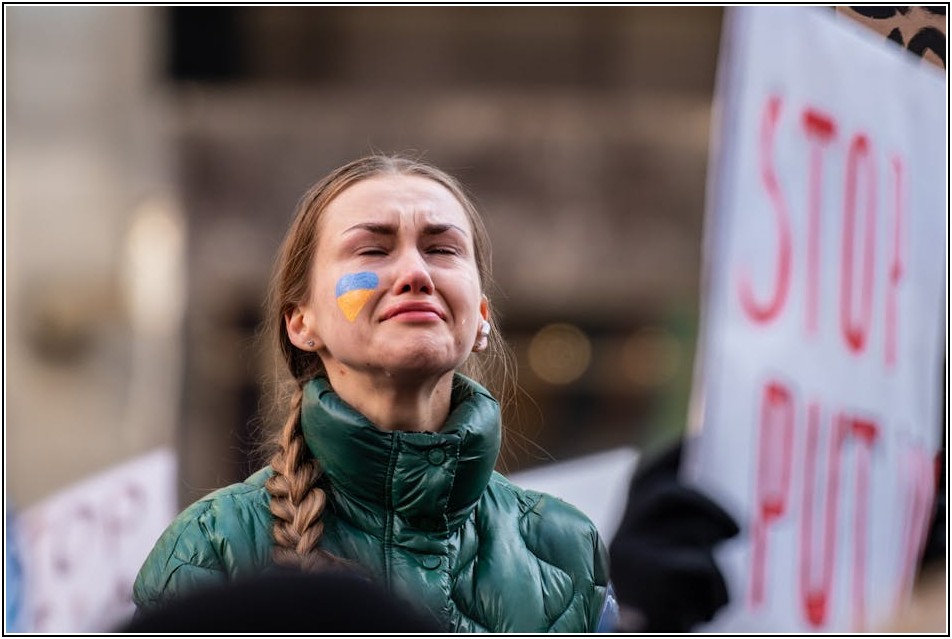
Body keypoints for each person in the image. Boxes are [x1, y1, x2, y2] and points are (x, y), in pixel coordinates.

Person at [133, 154, 615, 633]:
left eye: (442, 249)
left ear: (482, 315)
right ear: (302, 322)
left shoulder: (566, 548)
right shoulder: (211, 547)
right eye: (373, 250)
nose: (415, 274)